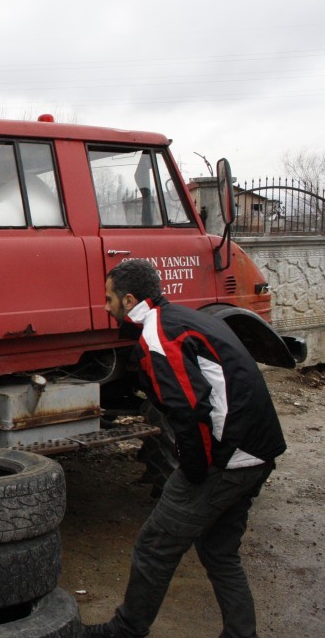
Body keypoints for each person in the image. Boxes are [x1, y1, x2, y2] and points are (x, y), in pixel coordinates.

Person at [85, 259, 285, 638]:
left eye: (109, 298)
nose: (106, 306)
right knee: (219, 551)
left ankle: (125, 630)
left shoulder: (159, 333)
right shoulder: (181, 317)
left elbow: (190, 408)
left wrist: (196, 469)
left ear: (129, 300)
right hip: (259, 452)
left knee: (154, 546)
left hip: (230, 458)